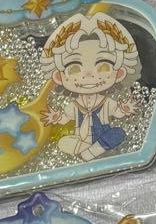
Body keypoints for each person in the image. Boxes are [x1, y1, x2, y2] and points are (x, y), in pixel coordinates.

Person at [40, 12, 141, 160]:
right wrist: (57, 117)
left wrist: (125, 109)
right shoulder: (75, 105)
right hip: (80, 140)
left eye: (103, 67)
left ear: (119, 73)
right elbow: (66, 118)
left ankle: (91, 152)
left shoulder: (106, 102)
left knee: (118, 133)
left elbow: (117, 112)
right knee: (62, 143)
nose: (88, 75)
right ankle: (90, 151)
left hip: (104, 135)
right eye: (74, 68)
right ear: (59, 77)